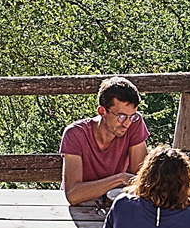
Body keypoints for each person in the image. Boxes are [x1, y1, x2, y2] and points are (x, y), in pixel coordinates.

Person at [60, 76, 149, 206]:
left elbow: (140, 178)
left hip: (116, 203)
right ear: (102, 111)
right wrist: (120, 179)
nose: (127, 124)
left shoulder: (135, 123)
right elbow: (73, 195)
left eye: (132, 116)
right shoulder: (75, 134)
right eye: (121, 116)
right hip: (81, 206)